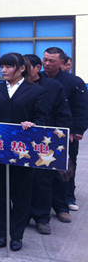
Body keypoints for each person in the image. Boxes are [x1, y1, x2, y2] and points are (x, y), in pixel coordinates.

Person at [0, 52, 47, 252]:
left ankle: (17, 235)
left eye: (8, 66)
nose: (4, 70)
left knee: (21, 194)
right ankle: (2, 233)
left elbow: (42, 117)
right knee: (0, 193)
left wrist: (33, 124)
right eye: (2, 66)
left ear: (22, 69)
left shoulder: (36, 91)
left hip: (23, 150)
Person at [24, 54, 73, 233]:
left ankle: (42, 217)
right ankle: (22, 214)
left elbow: (63, 114)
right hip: (21, 140)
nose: (22, 70)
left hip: (47, 139)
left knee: (43, 180)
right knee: (22, 181)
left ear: (37, 68)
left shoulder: (53, 86)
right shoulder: (16, 86)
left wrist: (63, 138)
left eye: (25, 67)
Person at [41, 47, 88, 213]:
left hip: (67, 133)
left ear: (62, 62)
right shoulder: (38, 79)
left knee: (67, 166)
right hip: (43, 131)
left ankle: (68, 198)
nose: (46, 63)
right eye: (45, 59)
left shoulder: (74, 82)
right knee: (43, 166)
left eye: (51, 61)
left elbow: (81, 108)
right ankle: (45, 200)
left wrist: (77, 130)